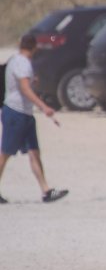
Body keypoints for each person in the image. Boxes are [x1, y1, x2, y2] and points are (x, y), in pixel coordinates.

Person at [0, 33, 68, 204]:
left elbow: (23, 85)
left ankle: (46, 191)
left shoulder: (16, 60)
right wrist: (43, 106)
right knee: (5, 153)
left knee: (34, 152)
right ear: (35, 47)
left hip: (24, 114)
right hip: (16, 112)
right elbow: (24, 89)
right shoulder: (22, 63)